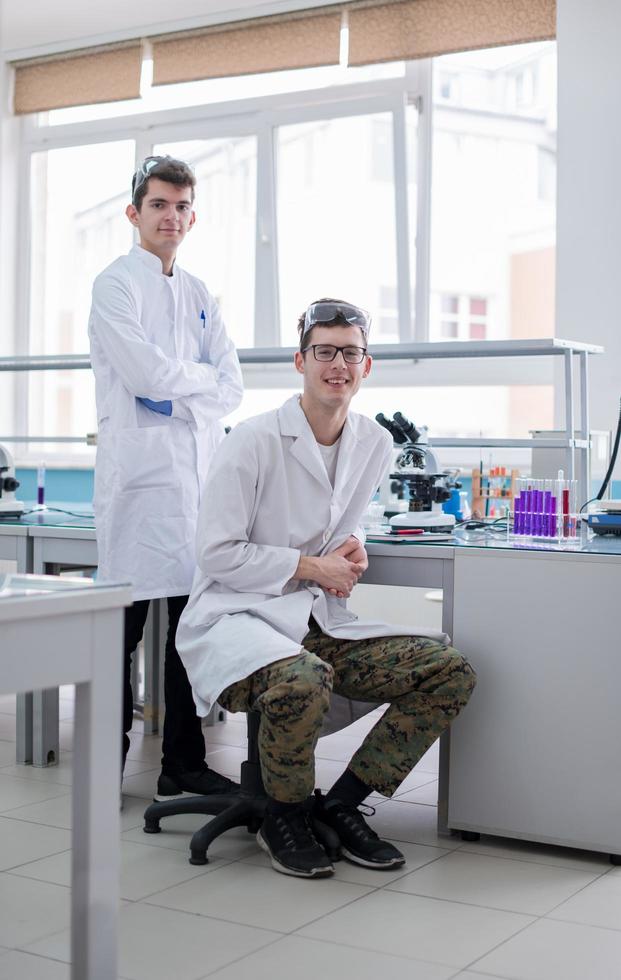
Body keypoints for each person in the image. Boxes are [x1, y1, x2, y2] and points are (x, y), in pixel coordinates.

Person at [177, 298, 476, 877]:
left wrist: (352, 541)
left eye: (351, 352)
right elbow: (216, 553)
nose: (337, 364)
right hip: (238, 620)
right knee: (303, 679)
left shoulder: (373, 441)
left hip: (313, 620)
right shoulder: (252, 441)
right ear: (300, 361)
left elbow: (335, 515)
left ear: (368, 366)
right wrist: (313, 568)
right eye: (325, 352)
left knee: (448, 670)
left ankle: (338, 805)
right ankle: (284, 815)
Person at [88, 155, 243, 800]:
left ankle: (182, 763)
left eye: (181, 206)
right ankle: (104, 767)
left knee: (188, 633)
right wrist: (192, 388)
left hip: (196, 486)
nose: (171, 217)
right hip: (138, 485)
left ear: (193, 215)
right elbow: (145, 375)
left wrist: (182, 393)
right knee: (116, 635)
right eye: (159, 205)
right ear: (134, 213)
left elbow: (230, 385)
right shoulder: (115, 285)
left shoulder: (201, 292)